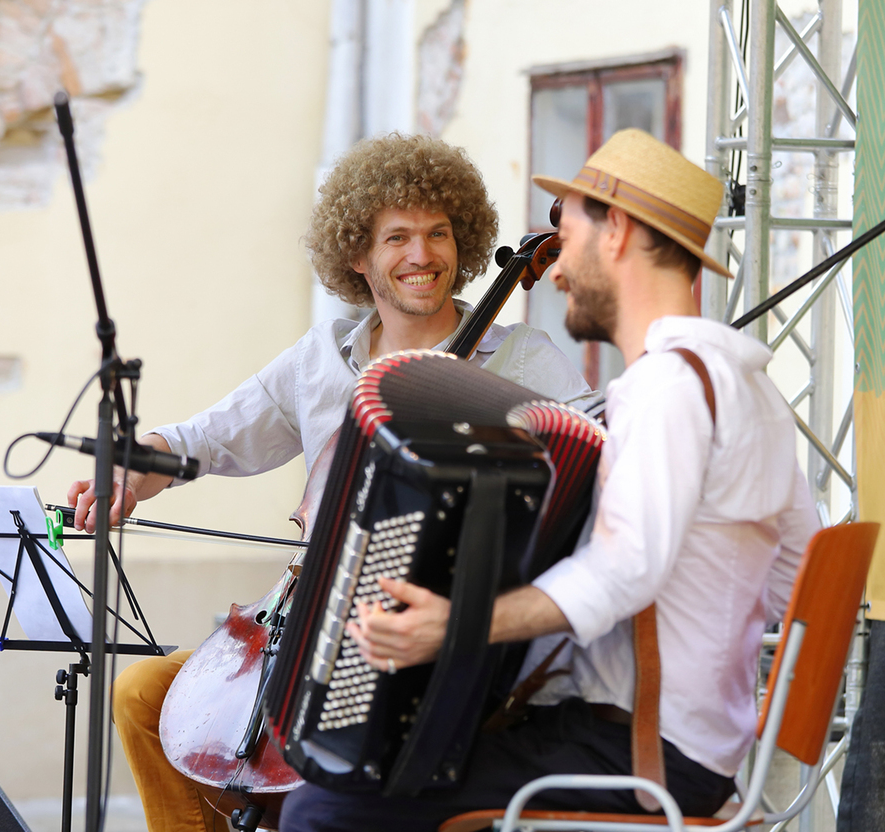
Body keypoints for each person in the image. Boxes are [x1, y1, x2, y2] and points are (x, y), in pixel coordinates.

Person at [279, 128, 821, 832]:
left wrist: (456, 627)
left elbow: (624, 571)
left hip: (640, 752)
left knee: (325, 806)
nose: (556, 269)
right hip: (690, 747)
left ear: (618, 231)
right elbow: (794, 579)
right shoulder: (749, 389)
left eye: (566, 238)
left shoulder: (666, 389)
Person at [67, 132, 595, 832]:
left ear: (463, 242)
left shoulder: (523, 360)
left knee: (319, 765)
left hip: (431, 639)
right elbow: (208, 437)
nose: (422, 256)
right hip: (303, 620)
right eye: (397, 237)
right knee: (141, 695)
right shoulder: (321, 357)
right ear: (357, 254)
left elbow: (594, 468)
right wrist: (138, 473)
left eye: (438, 234)